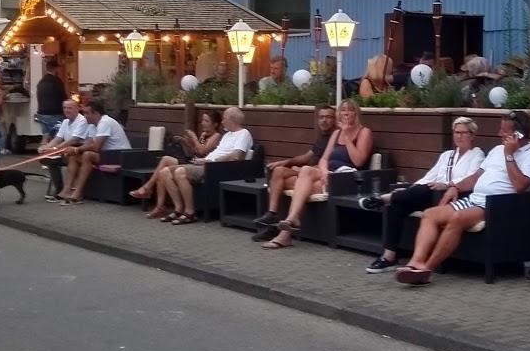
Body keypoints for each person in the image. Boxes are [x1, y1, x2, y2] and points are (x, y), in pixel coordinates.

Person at [396, 111, 530, 285]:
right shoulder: (497, 150)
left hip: (499, 206)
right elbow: (475, 177)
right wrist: (455, 187)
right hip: (475, 199)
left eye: (504, 131)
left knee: (457, 218)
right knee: (430, 214)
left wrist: (509, 155)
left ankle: (427, 269)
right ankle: (416, 261)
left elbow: (520, 186)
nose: (499, 134)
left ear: (519, 134)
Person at [363, 117, 485, 272]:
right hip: (430, 193)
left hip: (453, 196)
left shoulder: (477, 155)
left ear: (472, 135)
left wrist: (447, 184)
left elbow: (471, 177)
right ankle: (389, 256)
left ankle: (383, 198)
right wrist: (411, 189)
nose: (459, 136)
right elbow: (430, 176)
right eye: (456, 132)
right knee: (396, 206)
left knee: (424, 190)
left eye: (463, 133)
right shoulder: (447, 155)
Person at [262, 99, 373, 249]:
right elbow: (324, 159)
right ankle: (291, 221)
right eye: (343, 109)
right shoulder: (335, 133)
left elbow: (359, 161)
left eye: (350, 109)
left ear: (356, 113)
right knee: (305, 173)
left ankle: (285, 232)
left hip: (346, 178)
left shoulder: (364, 132)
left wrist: (346, 136)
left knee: (304, 181)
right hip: (327, 174)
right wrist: (324, 171)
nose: (346, 112)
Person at [157, 106, 253, 225]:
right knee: (164, 172)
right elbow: (216, 152)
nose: (222, 121)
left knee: (179, 172)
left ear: (232, 120)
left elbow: (236, 156)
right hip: (207, 164)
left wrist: (211, 161)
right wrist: (203, 159)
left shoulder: (243, 134)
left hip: (217, 169)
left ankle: (190, 212)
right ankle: (178, 209)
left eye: (224, 118)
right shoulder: (227, 135)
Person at [253, 105, 337, 234]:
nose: (324, 120)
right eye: (321, 117)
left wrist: (305, 168)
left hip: (318, 175)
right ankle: (272, 214)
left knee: (280, 184)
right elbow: (306, 157)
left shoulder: (335, 138)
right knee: (278, 171)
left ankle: (279, 228)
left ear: (335, 119)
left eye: (328, 117)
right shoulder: (322, 138)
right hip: (307, 172)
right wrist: (284, 162)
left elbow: (328, 164)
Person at [130, 110, 223, 218]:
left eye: (206, 121)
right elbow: (195, 152)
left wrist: (193, 137)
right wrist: (186, 142)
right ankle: (156, 201)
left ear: (215, 124)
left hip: (201, 166)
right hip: (193, 161)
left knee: (164, 166)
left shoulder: (216, 136)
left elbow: (202, 151)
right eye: (203, 120)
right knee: (165, 160)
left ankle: (149, 190)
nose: (203, 122)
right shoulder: (204, 135)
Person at [58, 99, 132, 205]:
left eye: (87, 113)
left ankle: (78, 192)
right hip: (107, 154)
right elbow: (89, 143)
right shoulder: (92, 124)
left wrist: (77, 149)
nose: (84, 116)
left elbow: (96, 147)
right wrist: (74, 150)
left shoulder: (105, 122)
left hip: (119, 155)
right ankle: (67, 189)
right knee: (74, 156)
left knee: (87, 155)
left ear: (96, 113)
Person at [39, 98, 89, 202]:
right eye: (65, 108)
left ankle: (63, 190)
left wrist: (55, 149)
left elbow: (74, 139)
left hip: (77, 151)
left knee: (53, 159)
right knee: (46, 159)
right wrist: (46, 148)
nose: (67, 110)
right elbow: (58, 138)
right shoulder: (65, 121)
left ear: (77, 109)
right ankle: (60, 188)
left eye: (70, 108)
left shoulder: (82, 121)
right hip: (66, 151)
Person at [36, 58, 67, 147]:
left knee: (45, 136)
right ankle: (54, 155)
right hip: (54, 113)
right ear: (56, 68)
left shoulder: (41, 82)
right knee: (57, 136)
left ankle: (43, 151)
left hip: (42, 113)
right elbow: (62, 97)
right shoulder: (57, 81)